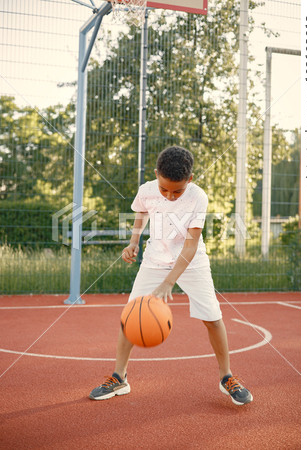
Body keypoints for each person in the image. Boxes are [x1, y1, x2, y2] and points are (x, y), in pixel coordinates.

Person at [89, 146, 253, 406]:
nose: (170, 195)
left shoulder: (198, 197)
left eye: (177, 191)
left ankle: (227, 377)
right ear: (156, 175)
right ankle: (119, 377)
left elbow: (190, 245)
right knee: (131, 315)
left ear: (190, 179)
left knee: (212, 318)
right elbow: (142, 211)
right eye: (164, 189)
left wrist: (169, 282)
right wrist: (134, 242)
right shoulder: (146, 190)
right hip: (154, 259)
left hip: (192, 262)